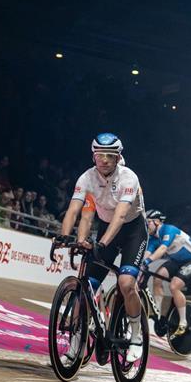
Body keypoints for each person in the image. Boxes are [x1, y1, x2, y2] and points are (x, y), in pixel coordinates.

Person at [57, 133, 147, 364]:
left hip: (132, 231)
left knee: (126, 283)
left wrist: (103, 244)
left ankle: (136, 335)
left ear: (118, 157)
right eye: (100, 155)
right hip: (107, 227)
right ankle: (77, 343)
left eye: (110, 155)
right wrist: (64, 236)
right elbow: (76, 211)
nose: (104, 160)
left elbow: (120, 216)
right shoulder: (86, 178)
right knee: (87, 285)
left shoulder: (129, 178)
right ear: (93, 156)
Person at [142, 209, 191, 338]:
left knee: (174, 286)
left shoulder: (169, 229)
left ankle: (183, 322)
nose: (146, 226)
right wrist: (141, 262)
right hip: (176, 261)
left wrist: (148, 261)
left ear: (157, 222)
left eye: (148, 223)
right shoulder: (153, 238)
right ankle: (157, 310)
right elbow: (148, 253)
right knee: (157, 278)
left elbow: (163, 248)